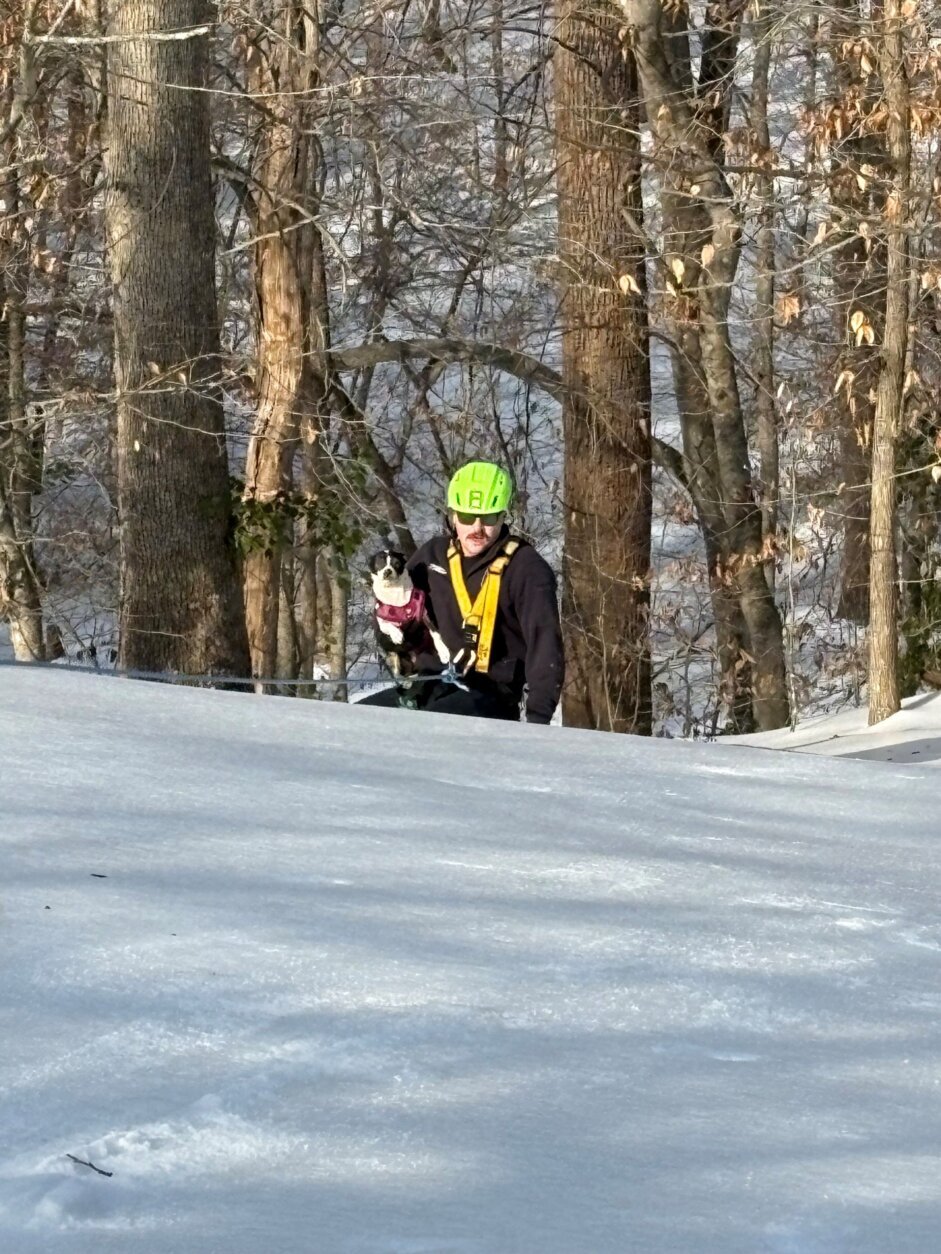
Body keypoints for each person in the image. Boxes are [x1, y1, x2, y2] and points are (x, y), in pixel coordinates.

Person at [360, 460, 564, 723]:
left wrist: (537, 724)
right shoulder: (432, 556)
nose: (477, 528)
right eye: (467, 517)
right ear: (453, 515)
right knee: (355, 721)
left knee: (424, 728)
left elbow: (545, 647)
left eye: (489, 518)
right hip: (430, 684)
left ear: (503, 516)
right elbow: (389, 611)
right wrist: (394, 635)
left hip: (489, 696)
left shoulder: (526, 569)